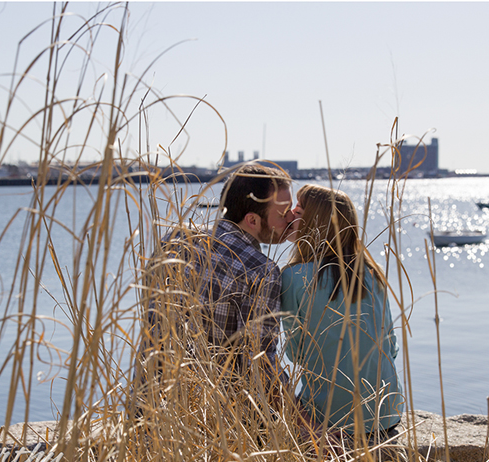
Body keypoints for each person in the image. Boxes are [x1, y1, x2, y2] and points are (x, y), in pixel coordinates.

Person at [137, 164, 296, 406]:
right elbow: (259, 364)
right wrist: (308, 426)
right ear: (252, 220)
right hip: (213, 422)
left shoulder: (173, 239)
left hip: (148, 408)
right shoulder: (261, 271)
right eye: (284, 215)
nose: (292, 218)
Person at [281, 184, 404, 446]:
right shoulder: (373, 273)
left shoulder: (293, 278)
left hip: (330, 417)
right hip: (386, 412)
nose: (290, 213)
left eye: (298, 210)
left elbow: (296, 353)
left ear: (315, 222)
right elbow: (390, 345)